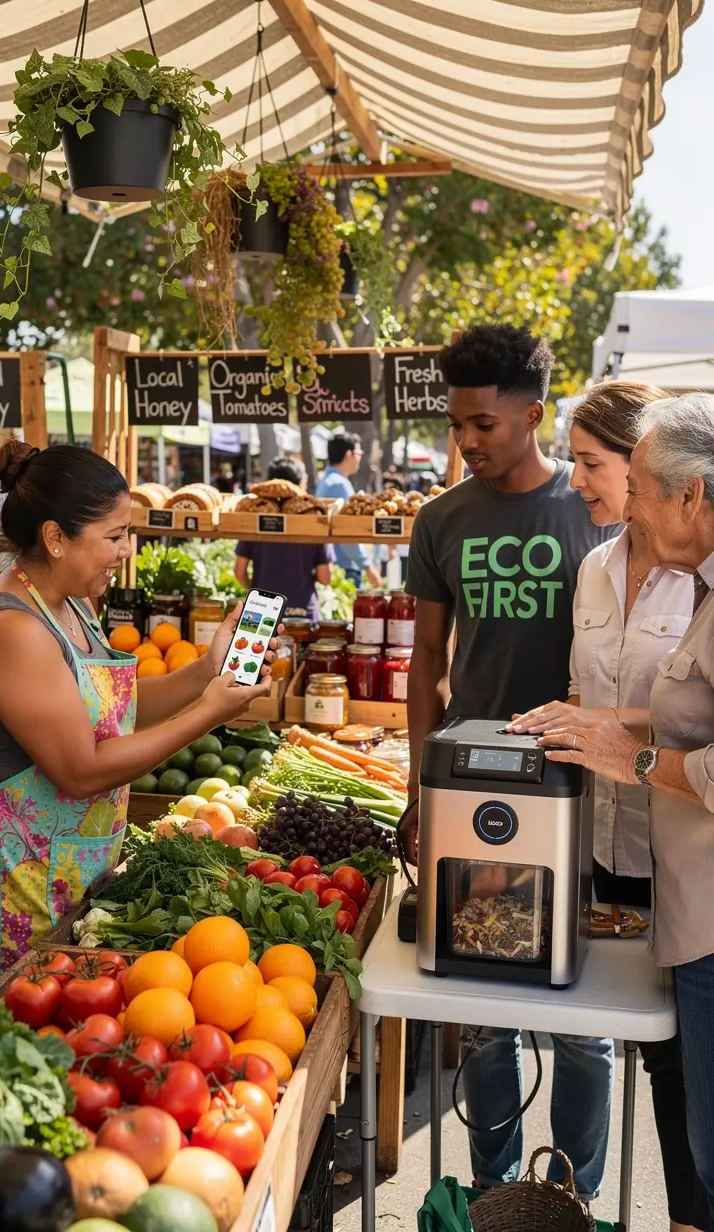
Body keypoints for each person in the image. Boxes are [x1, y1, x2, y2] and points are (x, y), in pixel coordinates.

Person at [0, 440, 277, 995]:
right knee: (2, 1047)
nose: (126, 551)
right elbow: (80, 770)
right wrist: (208, 714)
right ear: (56, 538)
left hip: (48, 861)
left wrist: (207, 671)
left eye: (127, 533)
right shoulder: (12, 630)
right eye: (114, 536)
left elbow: (118, 712)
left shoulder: (70, 604)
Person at [404, 324, 616, 1202]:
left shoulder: (593, 510)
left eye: (484, 424)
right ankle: (496, 1199)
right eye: (457, 425)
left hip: (582, 795)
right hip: (470, 793)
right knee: (486, 1020)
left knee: (582, 1025)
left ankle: (571, 1200)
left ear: (532, 414)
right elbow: (425, 662)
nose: (467, 442)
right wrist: (418, 786)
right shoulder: (441, 519)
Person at [510, 381, 704, 1232]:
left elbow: (670, 730)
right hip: (603, 845)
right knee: (593, 1034)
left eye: (592, 464)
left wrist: (631, 748)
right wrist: (580, 723)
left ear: (659, 476)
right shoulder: (595, 567)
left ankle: (684, 1211)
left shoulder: (695, 576)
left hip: (684, 870)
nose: (578, 481)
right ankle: (569, 1203)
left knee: (679, 1068)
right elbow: (616, 700)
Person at [235, 456, 333, 619]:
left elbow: (239, 571)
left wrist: (255, 589)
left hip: (261, 610)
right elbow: (325, 576)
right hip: (303, 612)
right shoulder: (314, 519)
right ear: (301, 484)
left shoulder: (256, 518)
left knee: (259, 645)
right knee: (306, 646)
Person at [316, 431, 381, 587]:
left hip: (334, 564)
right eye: (358, 453)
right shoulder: (339, 485)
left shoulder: (326, 480)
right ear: (349, 454)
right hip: (344, 567)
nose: (360, 458)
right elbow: (346, 531)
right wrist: (368, 566)